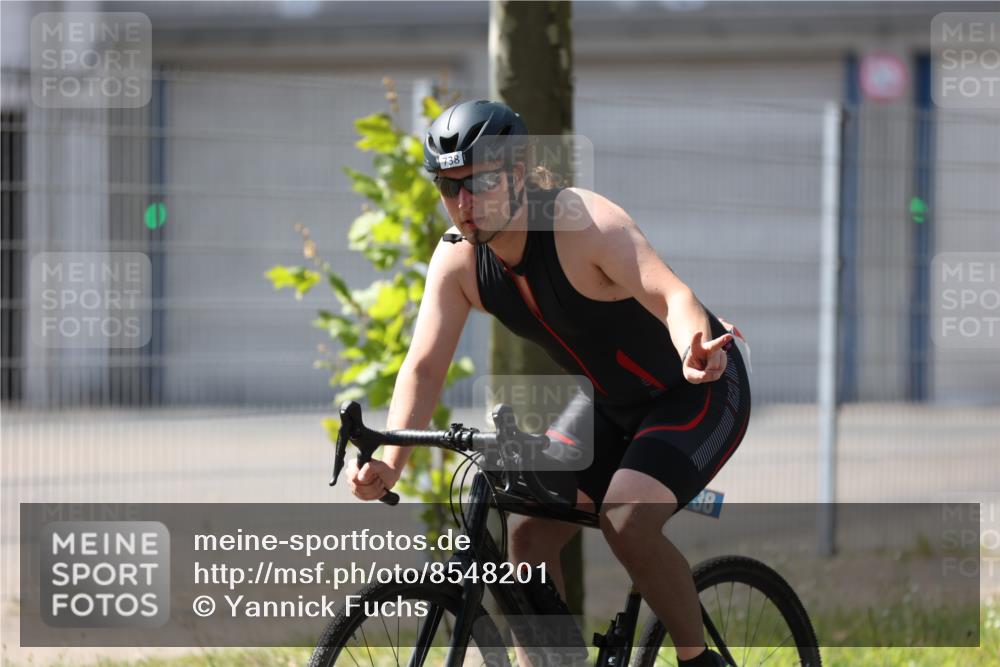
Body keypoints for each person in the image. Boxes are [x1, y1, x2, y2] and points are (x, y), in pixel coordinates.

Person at [347, 100, 751, 667]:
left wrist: (692, 346)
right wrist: (392, 461)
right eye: (449, 187)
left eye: (478, 183)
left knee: (626, 519)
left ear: (517, 173)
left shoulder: (581, 224)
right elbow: (424, 367)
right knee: (528, 533)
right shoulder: (459, 261)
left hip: (697, 389)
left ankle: (698, 660)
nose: (463, 204)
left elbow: (672, 296)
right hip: (609, 406)